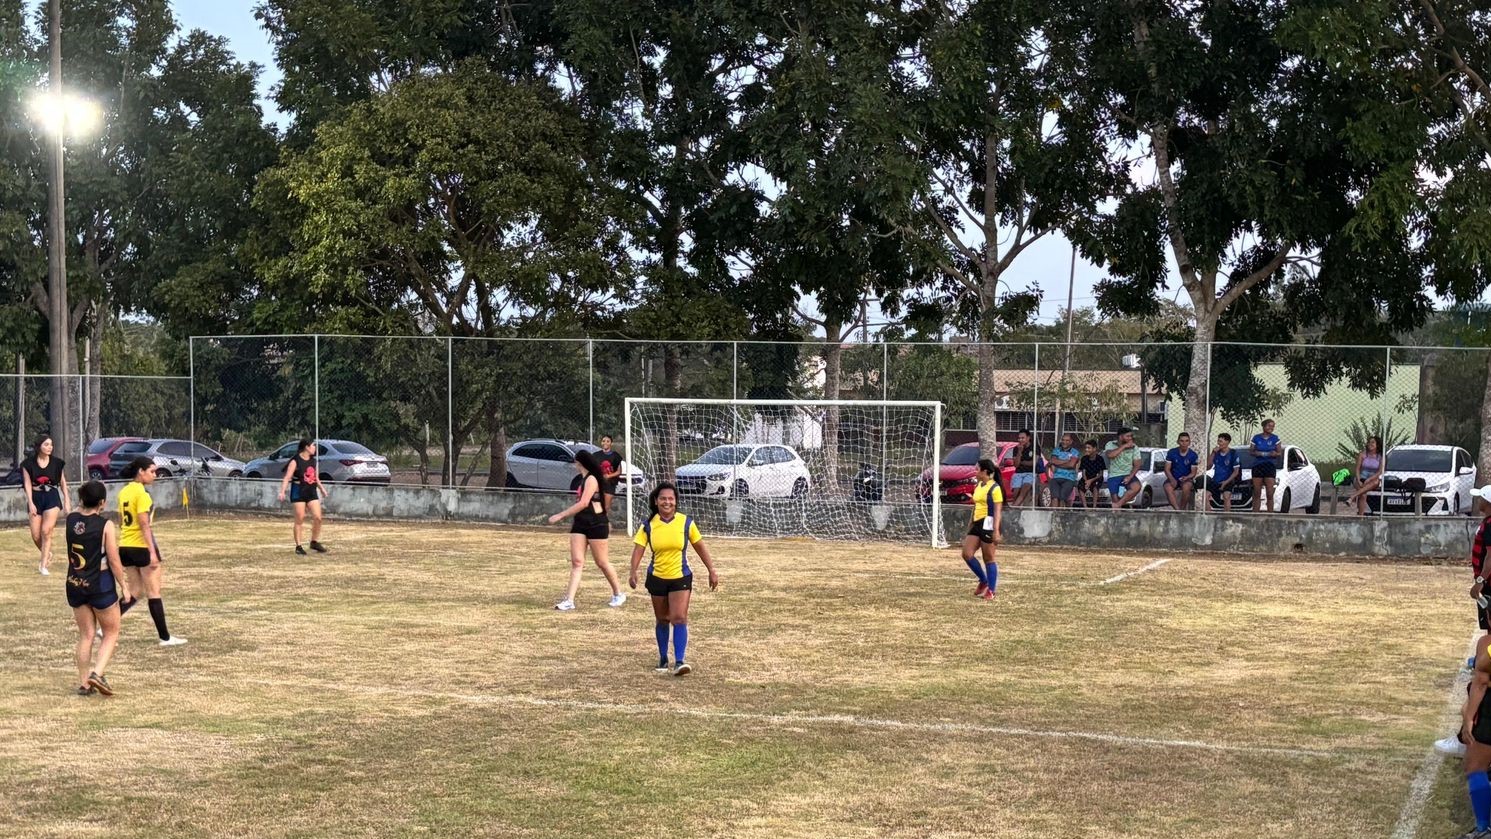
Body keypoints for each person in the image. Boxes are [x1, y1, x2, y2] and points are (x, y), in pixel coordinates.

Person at [628, 482, 719, 676]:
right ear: (656, 501)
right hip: (657, 578)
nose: (667, 502)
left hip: (680, 577)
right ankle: (663, 658)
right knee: (662, 619)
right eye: (663, 498)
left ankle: (679, 661)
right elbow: (638, 549)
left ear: (676, 501)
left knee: (679, 618)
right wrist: (633, 571)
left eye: (671, 498)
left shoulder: (686, 523)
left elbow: (700, 546)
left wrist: (711, 570)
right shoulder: (648, 526)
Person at [65, 480, 130, 696]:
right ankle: (97, 674)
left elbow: (77, 509)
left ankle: (84, 683)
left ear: (82, 499)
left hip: (75, 582)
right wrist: (124, 585)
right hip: (100, 583)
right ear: (102, 502)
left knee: (86, 635)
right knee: (111, 632)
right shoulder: (105, 525)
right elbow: (113, 559)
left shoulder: (71, 519)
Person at [117, 457, 186, 647]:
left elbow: (121, 521)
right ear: (141, 471)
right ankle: (165, 637)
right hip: (141, 547)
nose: (155, 475)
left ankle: (105, 627)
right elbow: (144, 524)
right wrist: (152, 553)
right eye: (152, 471)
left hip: (125, 545)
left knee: (134, 591)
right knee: (154, 591)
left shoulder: (124, 491)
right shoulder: (142, 494)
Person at [548, 450, 625, 611]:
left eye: (575, 462)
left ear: (580, 463)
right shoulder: (582, 479)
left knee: (602, 562)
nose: (574, 465)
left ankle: (618, 593)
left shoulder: (592, 479)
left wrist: (561, 515)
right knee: (577, 562)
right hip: (580, 523)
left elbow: (584, 503)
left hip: (596, 523)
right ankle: (569, 600)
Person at [22, 434, 70, 576]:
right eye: (46, 445)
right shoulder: (28, 464)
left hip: (51, 497)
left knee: (46, 531)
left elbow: (63, 482)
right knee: (36, 535)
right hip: (36, 497)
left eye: (51, 445)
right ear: (39, 446)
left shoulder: (57, 463)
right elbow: (27, 484)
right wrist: (30, 502)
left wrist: (66, 500)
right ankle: (47, 553)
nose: (50, 447)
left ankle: (43, 566)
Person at [1459, 632, 1491, 838]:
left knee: (1475, 766)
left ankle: (1484, 829)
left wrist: (1468, 719)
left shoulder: (1487, 645)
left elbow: (1481, 681)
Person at [960, 459, 1003, 601]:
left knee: (988, 557)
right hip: (977, 523)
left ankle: (991, 590)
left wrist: (996, 530)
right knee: (967, 554)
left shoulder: (995, 488)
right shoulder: (978, 485)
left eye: (977, 469)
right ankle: (983, 580)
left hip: (989, 523)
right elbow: (975, 505)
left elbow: (997, 511)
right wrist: (970, 523)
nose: (975, 472)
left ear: (984, 471)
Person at [276, 438, 328, 555]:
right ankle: (298, 546)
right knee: (300, 518)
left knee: (318, 517)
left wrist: (322, 489)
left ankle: (314, 542)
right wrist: (282, 491)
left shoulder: (314, 461)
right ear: (307, 447)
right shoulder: (295, 461)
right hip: (298, 491)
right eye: (313, 446)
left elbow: (316, 478)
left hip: (311, 491)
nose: (315, 448)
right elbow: (287, 478)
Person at [1249, 419, 1283, 513]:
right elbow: (1251, 451)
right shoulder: (1256, 438)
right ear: (1263, 426)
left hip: (1269, 466)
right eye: (1269, 425)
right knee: (1257, 492)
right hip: (1258, 466)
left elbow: (1279, 453)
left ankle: (1270, 515)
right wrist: (1258, 453)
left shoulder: (1275, 438)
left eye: (1273, 426)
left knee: (1269, 493)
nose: (1271, 428)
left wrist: (1275, 454)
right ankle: (1255, 515)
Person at [1103, 429, 1143, 509]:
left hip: (1128, 474)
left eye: (1131, 436)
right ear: (1120, 437)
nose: (1130, 438)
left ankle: (1119, 504)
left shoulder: (1134, 447)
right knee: (1115, 499)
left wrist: (1130, 477)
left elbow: (1137, 464)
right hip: (1114, 475)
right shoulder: (1110, 444)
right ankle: (1117, 511)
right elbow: (1110, 455)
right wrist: (1124, 446)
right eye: (1127, 436)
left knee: (1137, 487)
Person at [1345, 435, 1384, 516]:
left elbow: (1380, 472)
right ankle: (1360, 516)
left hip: (1372, 480)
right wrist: (1359, 480)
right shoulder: (1362, 455)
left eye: (1373, 442)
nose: (1370, 444)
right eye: (1369, 442)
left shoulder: (1380, 457)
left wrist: (1369, 479)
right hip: (1361, 478)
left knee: (1376, 482)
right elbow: (1357, 469)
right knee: (1363, 495)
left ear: (1377, 445)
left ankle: (1352, 497)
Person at [1002, 430, 1041, 508]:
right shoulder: (1016, 449)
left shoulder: (1035, 447)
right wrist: (1020, 452)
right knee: (1016, 492)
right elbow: (1016, 465)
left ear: (1028, 438)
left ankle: (1013, 508)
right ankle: (1015, 507)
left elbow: (1033, 463)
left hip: (1030, 473)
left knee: (1024, 490)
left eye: (1023, 438)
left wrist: (1021, 462)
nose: (1020, 440)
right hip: (1018, 473)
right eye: (1019, 438)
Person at [1163, 433, 1200, 510]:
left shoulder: (1193, 455)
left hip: (1186, 479)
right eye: (1182, 441)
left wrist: (1187, 477)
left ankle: (1182, 509)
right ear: (1178, 442)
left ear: (1189, 442)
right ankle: (1177, 509)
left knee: (1186, 487)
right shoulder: (1172, 452)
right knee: (1167, 487)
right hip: (1173, 477)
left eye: (1186, 441)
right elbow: (1167, 469)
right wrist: (1172, 479)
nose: (1184, 443)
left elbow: (1193, 473)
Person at [1206, 434, 1242, 512]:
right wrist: (1213, 453)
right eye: (1218, 441)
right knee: (1205, 496)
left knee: (1226, 496)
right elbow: (1208, 467)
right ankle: (1209, 515)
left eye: (1221, 441)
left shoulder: (1233, 453)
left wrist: (1225, 482)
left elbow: (1236, 472)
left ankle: (1226, 516)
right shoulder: (1216, 453)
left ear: (1227, 442)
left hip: (1228, 480)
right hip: (1216, 480)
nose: (1219, 443)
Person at [1046, 433, 1080, 508]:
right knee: (1054, 497)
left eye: (1067, 440)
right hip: (1056, 477)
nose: (1064, 442)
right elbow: (1052, 461)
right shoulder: (1056, 450)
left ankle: (1060, 514)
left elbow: (1071, 465)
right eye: (1063, 440)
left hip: (1069, 478)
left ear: (1071, 441)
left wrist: (1057, 463)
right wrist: (1067, 461)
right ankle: (1054, 513)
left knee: (1062, 498)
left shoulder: (1075, 452)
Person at [596, 435, 624, 511]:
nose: (605, 443)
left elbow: (619, 471)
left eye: (608, 441)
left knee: (606, 507)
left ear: (611, 443)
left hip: (610, 484)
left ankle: (604, 518)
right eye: (603, 441)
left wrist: (609, 476)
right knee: (597, 506)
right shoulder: (596, 455)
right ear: (601, 443)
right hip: (599, 484)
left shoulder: (615, 456)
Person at [1078, 440, 1106, 508]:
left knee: (1095, 487)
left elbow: (1101, 474)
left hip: (1097, 477)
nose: (1086, 450)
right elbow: (1083, 472)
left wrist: (1090, 481)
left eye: (1089, 448)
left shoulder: (1100, 459)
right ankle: (1085, 507)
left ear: (1094, 448)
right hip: (1086, 477)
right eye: (1086, 448)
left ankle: (1094, 507)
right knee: (1080, 487)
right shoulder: (1084, 458)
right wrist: (1086, 481)